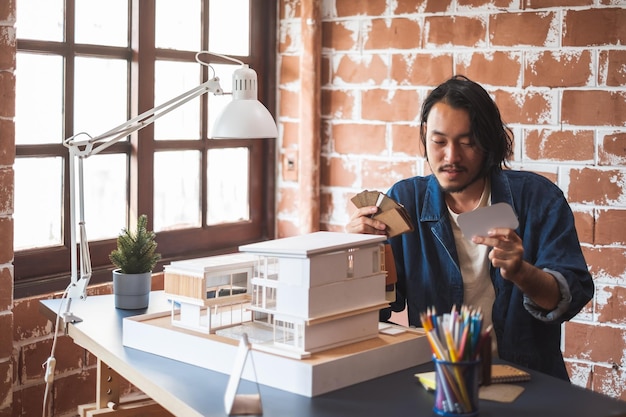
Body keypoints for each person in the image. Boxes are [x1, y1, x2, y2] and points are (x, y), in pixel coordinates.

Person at [346, 75, 594, 381]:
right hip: (441, 382)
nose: (451, 157)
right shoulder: (406, 199)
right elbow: (379, 309)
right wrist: (354, 257)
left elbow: (569, 299)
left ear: (489, 141)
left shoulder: (537, 198)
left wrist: (521, 272)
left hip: (526, 383)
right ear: (424, 136)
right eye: (439, 142)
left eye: (468, 142)